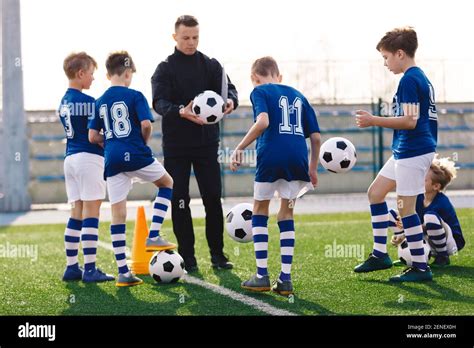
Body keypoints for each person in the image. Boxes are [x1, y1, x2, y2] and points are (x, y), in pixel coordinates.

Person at [151, 15, 239, 272]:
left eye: (195, 37)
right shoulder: (164, 68)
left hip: (207, 144)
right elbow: (159, 102)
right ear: (175, 37)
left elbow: (229, 89)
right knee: (180, 201)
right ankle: (187, 258)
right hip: (177, 146)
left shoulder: (211, 65)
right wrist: (180, 110)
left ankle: (218, 256)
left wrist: (231, 101)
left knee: (213, 198)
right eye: (186, 38)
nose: (191, 42)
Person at [230, 56, 320, 296]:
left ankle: (261, 275)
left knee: (259, 209)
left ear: (254, 78)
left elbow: (263, 121)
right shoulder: (298, 95)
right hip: (297, 160)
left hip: (270, 159)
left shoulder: (260, 91)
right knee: (286, 212)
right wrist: (312, 168)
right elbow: (316, 137)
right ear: (279, 76)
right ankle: (286, 279)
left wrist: (239, 147)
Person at [354, 27, 438, 282]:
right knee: (375, 193)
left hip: (414, 150)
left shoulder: (410, 79)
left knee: (406, 209)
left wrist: (373, 120)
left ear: (400, 53)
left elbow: (410, 121)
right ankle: (380, 255)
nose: (385, 63)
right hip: (405, 150)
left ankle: (421, 268)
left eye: (386, 57)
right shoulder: (417, 77)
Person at [88, 51, 176, 287]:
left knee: (118, 214)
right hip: (136, 152)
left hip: (112, 159)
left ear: (107, 74)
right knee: (167, 183)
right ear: (128, 73)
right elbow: (146, 124)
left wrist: (109, 142)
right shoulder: (135, 95)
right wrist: (143, 141)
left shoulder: (99, 102)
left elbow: (92, 135)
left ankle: (123, 273)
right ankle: (154, 234)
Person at [59, 52, 114, 283]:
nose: (93, 79)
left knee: (76, 213)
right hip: (88, 158)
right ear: (80, 73)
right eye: (91, 74)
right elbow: (98, 135)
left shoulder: (63, 101)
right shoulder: (89, 102)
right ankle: (90, 269)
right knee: (92, 212)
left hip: (70, 159)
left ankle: (72, 267)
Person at [390, 155, 465, 267]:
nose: (419, 180)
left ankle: (443, 256)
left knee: (430, 217)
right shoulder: (419, 197)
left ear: (435, 186)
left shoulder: (441, 202)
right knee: (391, 214)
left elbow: (426, 225)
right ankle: (407, 255)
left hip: (450, 242)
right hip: (429, 238)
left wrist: (406, 232)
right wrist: (400, 231)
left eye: (423, 179)